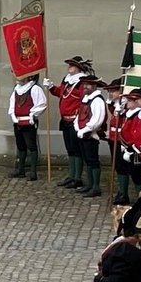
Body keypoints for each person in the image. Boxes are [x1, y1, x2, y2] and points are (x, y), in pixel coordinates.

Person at [49, 58, 89, 189]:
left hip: (75, 120)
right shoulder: (67, 81)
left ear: (77, 68)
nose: (69, 67)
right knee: (70, 149)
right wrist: (51, 87)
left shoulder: (82, 82)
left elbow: (84, 99)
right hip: (65, 119)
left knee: (77, 150)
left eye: (71, 66)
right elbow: (60, 93)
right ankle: (71, 175)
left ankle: (77, 177)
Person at [73, 77, 113, 198]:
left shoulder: (97, 101)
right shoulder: (86, 99)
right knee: (87, 160)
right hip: (82, 133)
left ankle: (95, 187)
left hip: (91, 135)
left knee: (93, 160)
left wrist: (86, 129)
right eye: (85, 84)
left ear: (95, 86)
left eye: (89, 85)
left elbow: (97, 120)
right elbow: (79, 115)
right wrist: (77, 128)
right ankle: (90, 185)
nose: (85, 86)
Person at [6, 73, 47, 181]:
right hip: (17, 122)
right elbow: (12, 105)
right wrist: (13, 116)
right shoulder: (17, 89)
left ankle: (33, 171)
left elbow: (41, 104)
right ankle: (20, 170)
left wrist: (32, 115)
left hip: (29, 122)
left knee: (32, 146)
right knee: (21, 146)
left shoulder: (35, 89)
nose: (18, 77)